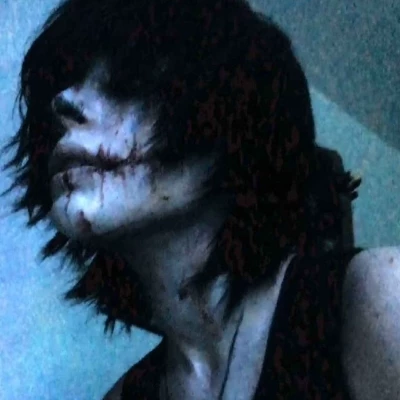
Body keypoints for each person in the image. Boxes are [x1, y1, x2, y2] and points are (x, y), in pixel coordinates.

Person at [2, 0, 399, 398]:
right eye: (65, 82)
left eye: (127, 80)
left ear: (234, 113)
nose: (63, 102)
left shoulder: (380, 295)